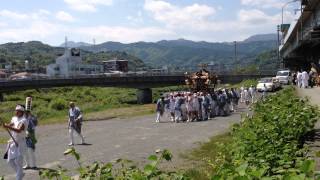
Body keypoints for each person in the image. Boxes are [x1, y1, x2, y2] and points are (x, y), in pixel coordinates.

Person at [2, 105, 28, 180]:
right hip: (13, 141)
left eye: (18, 111)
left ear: (21, 112)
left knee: (19, 162)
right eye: (15, 110)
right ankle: (20, 173)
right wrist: (6, 125)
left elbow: (19, 130)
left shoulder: (24, 120)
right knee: (9, 161)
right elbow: (11, 124)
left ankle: (18, 177)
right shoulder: (14, 118)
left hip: (20, 142)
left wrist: (8, 127)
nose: (16, 112)